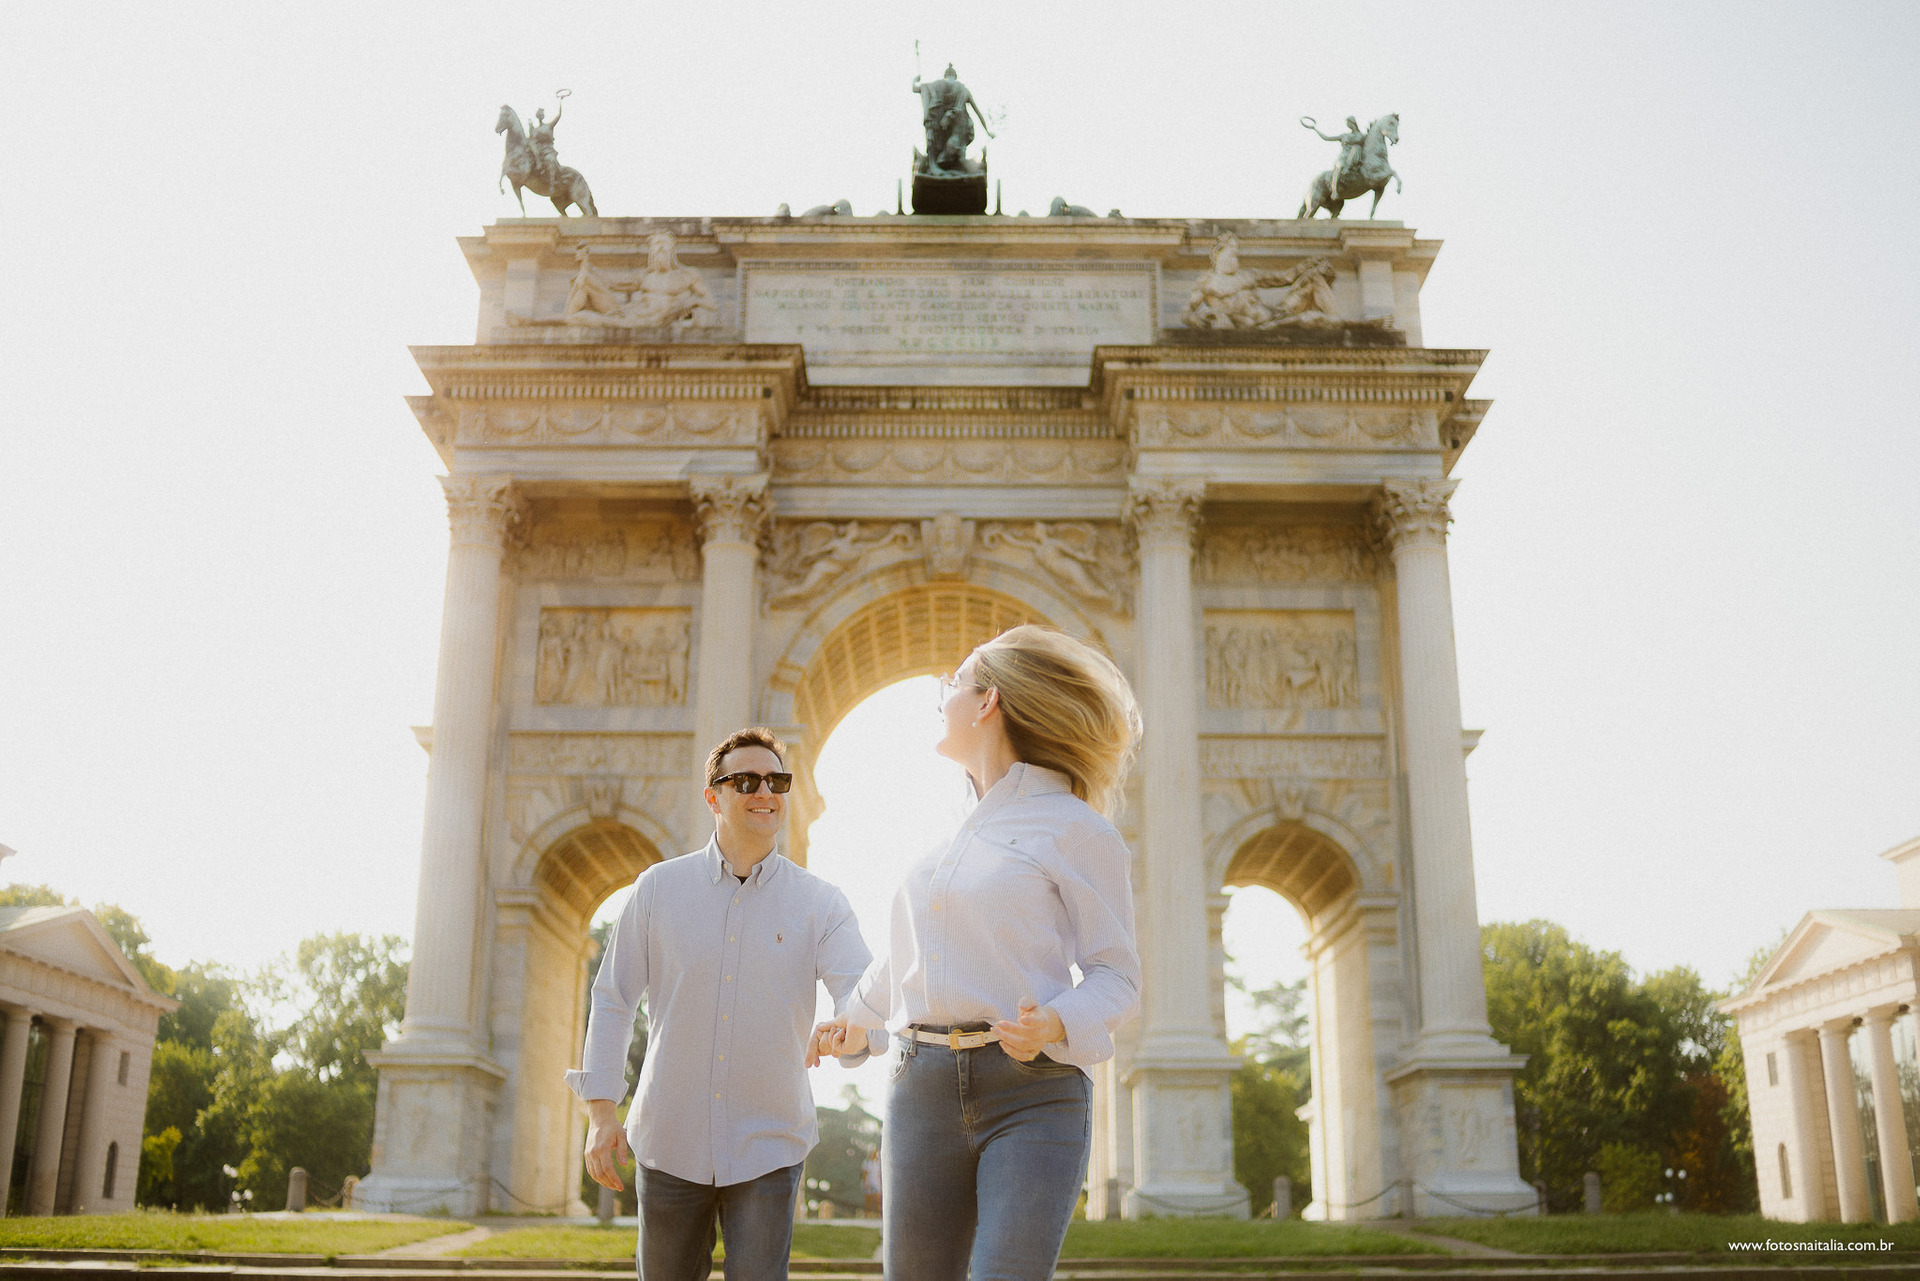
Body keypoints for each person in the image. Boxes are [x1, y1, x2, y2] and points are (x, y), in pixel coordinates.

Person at [811, 625, 1143, 1281]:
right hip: (920, 1090)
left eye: (953, 684)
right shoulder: (943, 838)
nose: (943, 697)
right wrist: (853, 1020)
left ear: (988, 701)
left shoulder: (1078, 828)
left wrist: (1055, 1020)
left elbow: (1118, 976)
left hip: (1034, 1092)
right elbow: (901, 962)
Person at [568, 727, 881, 1281]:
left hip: (770, 1144)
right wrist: (600, 1111)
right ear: (713, 796)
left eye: (777, 780)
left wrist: (852, 1030)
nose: (766, 792)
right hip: (669, 1140)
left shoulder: (821, 903)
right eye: (747, 780)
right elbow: (613, 998)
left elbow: (860, 991)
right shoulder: (657, 890)